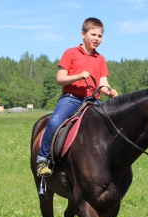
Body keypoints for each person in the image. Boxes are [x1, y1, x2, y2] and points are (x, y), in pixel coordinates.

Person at [36, 17, 118, 177]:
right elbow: (60, 79)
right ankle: (42, 160)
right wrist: (78, 76)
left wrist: (110, 91)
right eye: (93, 34)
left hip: (94, 101)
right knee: (54, 122)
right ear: (83, 34)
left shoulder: (100, 59)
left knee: (111, 126)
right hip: (71, 98)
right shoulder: (70, 53)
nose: (96, 39)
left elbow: (103, 83)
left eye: (100, 36)